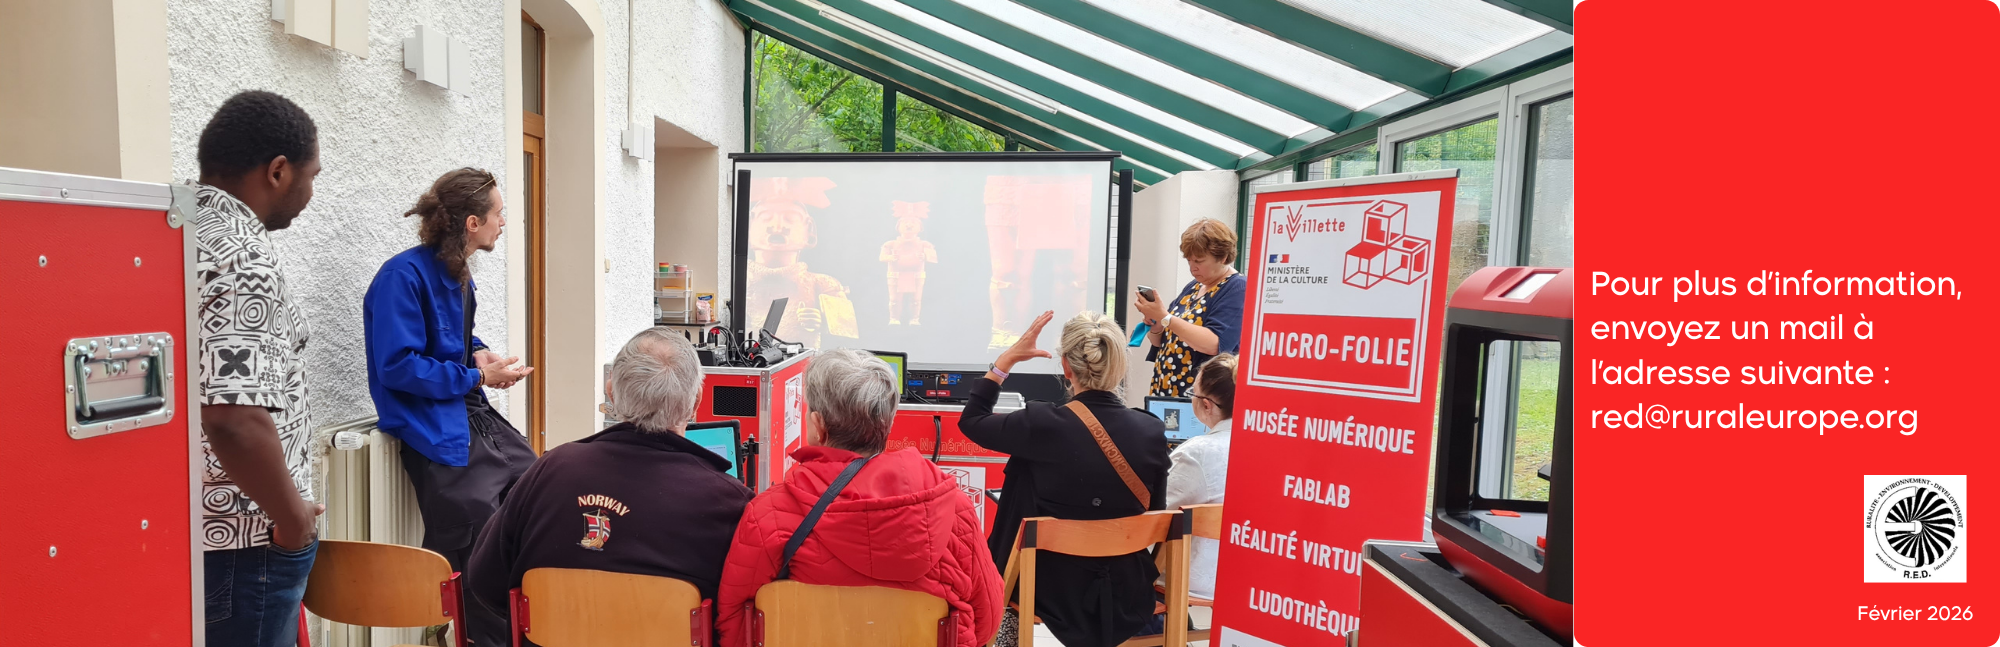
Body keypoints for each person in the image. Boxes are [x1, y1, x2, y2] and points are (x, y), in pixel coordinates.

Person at [465, 329, 752, 646]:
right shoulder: (731, 502)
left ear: (611, 392)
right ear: (696, 400)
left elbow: (485, 582)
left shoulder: (548, 470)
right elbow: (746, 622)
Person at [718, 349, 1002, 647]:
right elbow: (987, 623)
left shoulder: (767, 515)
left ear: (818, 425)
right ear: (888, 423)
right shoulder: (955, 508)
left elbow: (736, 628)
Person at [192, 90, 325, 647]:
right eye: (311, 177)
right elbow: (234, 418)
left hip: (191, 530)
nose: (310, 194)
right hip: (246, 543)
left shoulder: (177, 230)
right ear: (277, 171)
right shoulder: (243, 258)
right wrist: (293, 521)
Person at [961, 311, 1171, 647]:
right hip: (1125, 588)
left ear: (1066, 367)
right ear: (1119, 367)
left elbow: (972, 420)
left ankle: (1005, 631)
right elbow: (1155, 510)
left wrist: (1006, 360)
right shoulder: (1151, 431)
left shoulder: (1041, 423)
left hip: (1043, 585)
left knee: (1026, 470)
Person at [364, 167, 536, 574]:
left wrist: (479, 353)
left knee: (535, 487)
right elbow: (398, 366)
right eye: (499, 213)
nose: (503, 222)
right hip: (434, 427)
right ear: (473, 223)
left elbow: (454, 337)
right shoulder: (402, 276)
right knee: (475, 539)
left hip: (470, 414)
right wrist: (479, 378)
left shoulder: (455, 270)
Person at [1136, 219, 1248, 397]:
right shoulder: (1194, 286)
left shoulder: (1237, 288)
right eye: (1189, 260)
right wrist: (1156, 324)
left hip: (1199, 393)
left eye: (1199, 261)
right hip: (1167, 387)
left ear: (1223, 257)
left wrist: (1166, 318)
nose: (1192, 268)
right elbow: (1162, 340)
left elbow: (1215, 344)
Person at [1163, 354, 1236, 600]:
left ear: (1206, 405)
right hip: (1247, 577)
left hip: (1192, 578)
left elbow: (1159, 513)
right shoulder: (1270, 446)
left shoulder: (1197, 453)